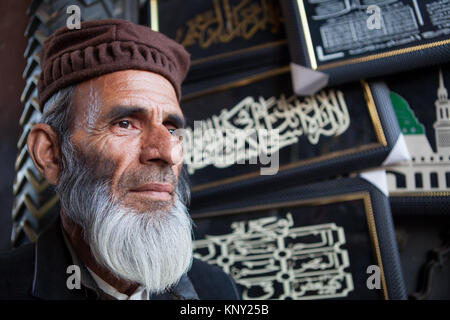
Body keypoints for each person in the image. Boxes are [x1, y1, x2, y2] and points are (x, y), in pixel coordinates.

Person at [0, 19, 240, 300]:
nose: (165, 152)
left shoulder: (216, 290)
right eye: (125, 124)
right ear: (51, 154)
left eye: (172, 129)